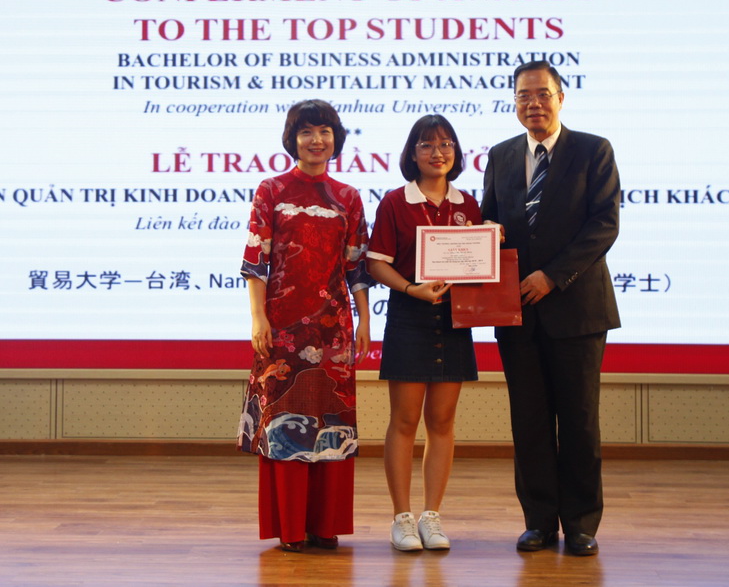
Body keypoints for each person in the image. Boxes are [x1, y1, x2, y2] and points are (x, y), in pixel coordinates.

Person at [480, 61, 620, 556]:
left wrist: (553, 276)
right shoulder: (500, 155)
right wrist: (484, 236)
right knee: (530, 421)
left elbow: (604, 225)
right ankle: (538, 520)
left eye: (542, 94)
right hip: (516, 311)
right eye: (523, 95)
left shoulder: (593, 150)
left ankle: (581, 523)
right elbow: (490, 219)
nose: (533, 103)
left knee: (579, 421)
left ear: (561, 98)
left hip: (577, 310)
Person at [236, 99, 372, 553]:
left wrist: (364, 320)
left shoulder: (349, 197)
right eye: (307, 132)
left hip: (333, 328)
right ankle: (291, 528)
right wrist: (258, 317)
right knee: (286, 421)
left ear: (337, 138)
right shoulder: (271, 189)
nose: (317, 140)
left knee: (331, 419)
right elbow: (255, 260)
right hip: (282, 327)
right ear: (292, 139)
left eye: (325, 131)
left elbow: (356, 267)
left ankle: (325, 525)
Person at [366, 115, 481, 552]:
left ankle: (432, 516)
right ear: (412, 154)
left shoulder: (469, 205)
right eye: (427, 145)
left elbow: (478, 266)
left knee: (442, 422)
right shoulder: (396, 202)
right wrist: (412, 289)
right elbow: (376, 263)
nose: (438, 152)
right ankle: (402, 518)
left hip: (454, 320)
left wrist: (492, 242)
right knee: (404, 421)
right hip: (409, 316)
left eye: (446, 144)